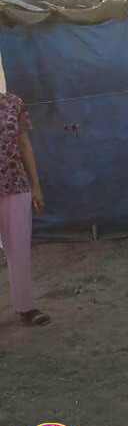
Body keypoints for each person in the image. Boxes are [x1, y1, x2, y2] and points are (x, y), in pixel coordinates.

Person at [0, 89, 46, 326]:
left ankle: (26, 307)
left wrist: (35, 185)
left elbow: (24, 144)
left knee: (19, 248)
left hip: (15, 184)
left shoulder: (13, 103)